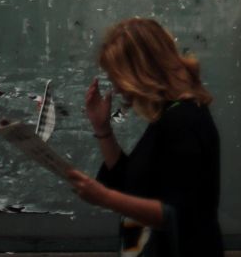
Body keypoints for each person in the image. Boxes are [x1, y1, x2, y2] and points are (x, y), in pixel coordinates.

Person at [67, 18, 225, 257]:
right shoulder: (170, 117)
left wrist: (105, 198)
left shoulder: (183, 121)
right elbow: (133, 186)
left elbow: (176, 214)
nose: (117, 89)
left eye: (118, 77)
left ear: (141, 71)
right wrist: (102, 128)